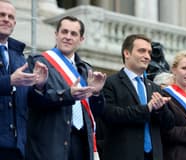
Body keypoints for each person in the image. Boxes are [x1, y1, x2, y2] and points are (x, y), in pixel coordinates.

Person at [26, 16, 106, 160]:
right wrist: (68, 94)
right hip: (51, 144)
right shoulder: (38, 63)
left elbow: (96, 113)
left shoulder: (86, 69)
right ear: (56, 34)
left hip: (82, 143)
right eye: (64, 32)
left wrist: (96, 93)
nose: (68, 37)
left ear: (81, 39)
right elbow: (33, 101)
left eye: (73, 34)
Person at [102, 34, 175, 160]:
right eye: (141, 51)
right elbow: (111, 115)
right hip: (124, 155)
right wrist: (147, 108)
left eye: (149, 52)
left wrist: (160, 109)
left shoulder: (155, 88)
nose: (147, 56)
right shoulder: (111, 83)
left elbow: (169, 124)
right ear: (127, 53)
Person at [0, 0, 47, 159]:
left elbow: (28, 102)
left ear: (14, 23)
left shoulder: (20, 58)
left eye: (10, 16)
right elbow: (10, 82)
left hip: (17, 148)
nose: (6, 19)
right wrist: (9, 81)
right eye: (1, 15)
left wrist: (39, 86)